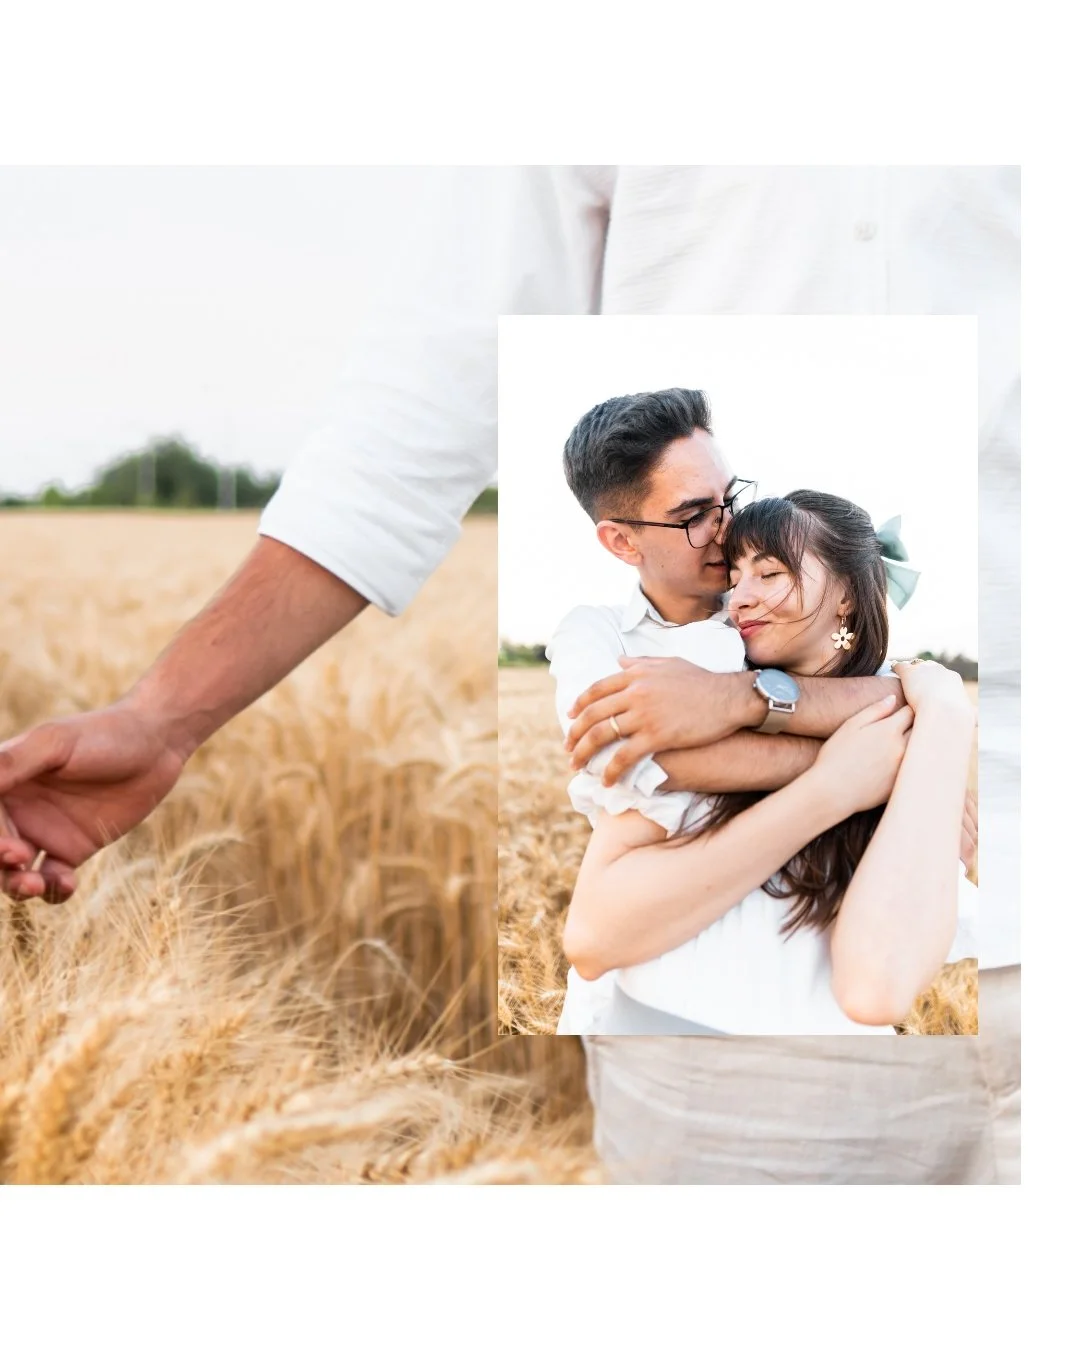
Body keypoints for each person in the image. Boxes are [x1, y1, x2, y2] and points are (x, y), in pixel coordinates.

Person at [0, 166, 1018, 1183]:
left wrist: (892, 723)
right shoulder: (628, 639)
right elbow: (411, 416)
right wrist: (163, 716)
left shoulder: (775, 635)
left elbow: (890, 691)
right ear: (620, 542)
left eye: (733, 501)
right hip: (743, 1017)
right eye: (700, 518)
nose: (730, 539)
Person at [557, 484, 977, 1038]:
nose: (739, 598)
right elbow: (592, 941)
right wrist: (832, 784)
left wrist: (946, 713)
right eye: (734, 578)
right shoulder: (698, 697)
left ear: (847, 595)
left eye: (770, 574)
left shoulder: (913, 742)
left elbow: (876, 989)